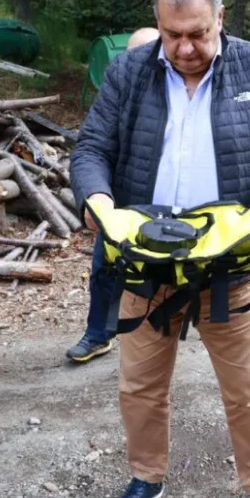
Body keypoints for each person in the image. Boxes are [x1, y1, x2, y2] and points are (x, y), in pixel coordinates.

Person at [70, 0, 250, 498]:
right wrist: (98, 199)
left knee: (249, 389)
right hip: (145, 265)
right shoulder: (129, 71)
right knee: (140, 386)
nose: (184, 47)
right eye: (172, 34)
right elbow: (92, 147)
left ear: (220, 17)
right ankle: (144, 478)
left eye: (198, 34)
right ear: (157, 22)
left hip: (230, 265)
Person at [65, 26, 161, 365]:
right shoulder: (119, 91)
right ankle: (98, 334)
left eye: (145, 53)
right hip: (117, 205)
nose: (137, 62)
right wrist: (96, 192)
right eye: (130, 55)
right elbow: (92, 148)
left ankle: (156, 337)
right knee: (104, 272)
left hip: (161, 214)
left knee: (157, 278)